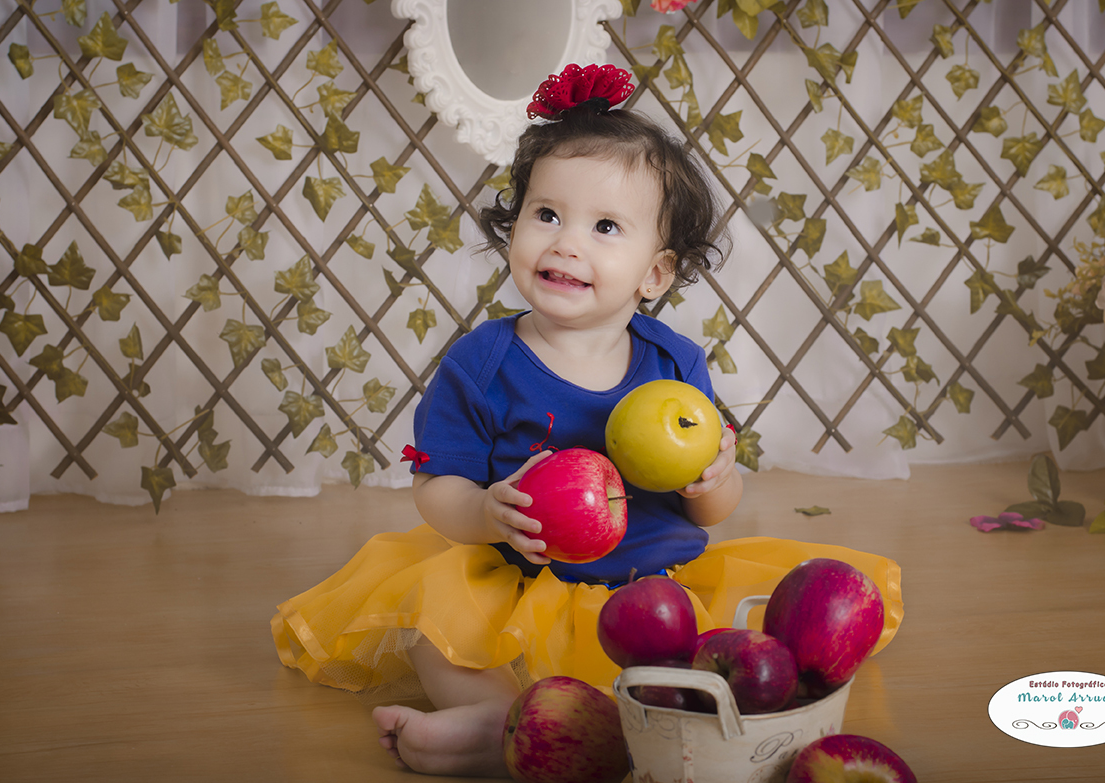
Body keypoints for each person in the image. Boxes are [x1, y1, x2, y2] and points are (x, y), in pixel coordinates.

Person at [271, 63, 904, 778]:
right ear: (514, 226)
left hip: (654, 588)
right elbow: (437, 481)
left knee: (722, 645)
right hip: (517, 576)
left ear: (654, 273)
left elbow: (713, 508)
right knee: (433, 609)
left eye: (604, 226)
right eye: (546, 214)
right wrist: (484, 510)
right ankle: (497, 715)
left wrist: (714, 475)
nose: (565, 242)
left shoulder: (673, 363)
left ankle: (609, 723)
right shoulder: (482, 361)